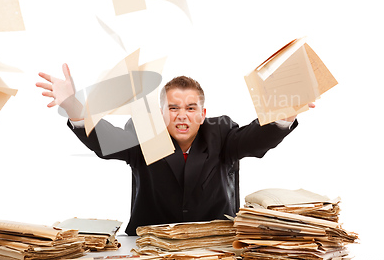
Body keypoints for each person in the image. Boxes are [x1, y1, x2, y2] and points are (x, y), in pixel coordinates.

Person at [36, 64, 309, 235]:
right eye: (173, 108)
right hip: (150, 249)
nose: (182, 116)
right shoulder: (145, 131)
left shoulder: (221, 132)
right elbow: (108, 142)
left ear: (202, 114)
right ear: (161, 113)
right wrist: (74, 107)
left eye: (191, 109)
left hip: (215, 248)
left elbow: (254, 138)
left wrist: (282, 116)